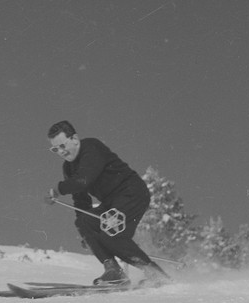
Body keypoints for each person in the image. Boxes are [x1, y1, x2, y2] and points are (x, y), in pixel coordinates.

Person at [44, 120, 170, 287]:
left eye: (62, 145)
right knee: (84, 220)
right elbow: (81, 200)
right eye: (55, 149)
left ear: (75, 138)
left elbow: (83, 180)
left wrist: (58, 189)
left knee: (112, 233)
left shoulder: (91, 148)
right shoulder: (69, 168)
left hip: (131, 193)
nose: (61, 151)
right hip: (111, 202)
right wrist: (87, 232)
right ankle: (114, 271)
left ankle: (156, 274)